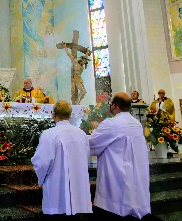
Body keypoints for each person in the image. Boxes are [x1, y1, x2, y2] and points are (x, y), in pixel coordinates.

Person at [89, 92, 151, 220]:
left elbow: (92, 144)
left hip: (117, 179)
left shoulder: (112, 124)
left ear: (115, 106)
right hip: (135, 176)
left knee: (116, 208)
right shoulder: (136, 124)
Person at [32, 100, 92, 220]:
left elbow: (42, 162)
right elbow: (86, 157)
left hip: (56, 187)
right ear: (70, 115)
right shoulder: (81, 134)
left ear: (54, 114)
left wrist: (40, 179)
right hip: (78, 186)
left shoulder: (49, 134)